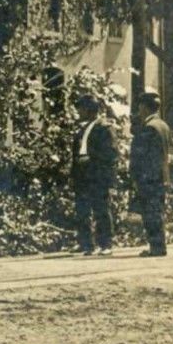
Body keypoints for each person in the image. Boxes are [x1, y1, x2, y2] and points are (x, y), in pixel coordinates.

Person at [70, 92, 118, 256]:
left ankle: (105, 244)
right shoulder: (83, 129)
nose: (79, 112)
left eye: (81, 109)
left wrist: (91, 160)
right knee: (82, 209)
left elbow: (110, 153)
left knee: (101, 209)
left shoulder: (104, 128)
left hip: (97, 174)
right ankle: (86, 243)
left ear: (90, 110)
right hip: (82, 174)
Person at [129, 91, 173, 257]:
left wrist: (137, 177)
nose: (139, 109)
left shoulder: (149, 128)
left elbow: (143, 157)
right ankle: (159, 245)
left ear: (144, 107)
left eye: (140, 106)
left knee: (150, 213)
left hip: (149, 178)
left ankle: (156, 247)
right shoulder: (163, 125)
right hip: (161, 177)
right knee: (156, 211)